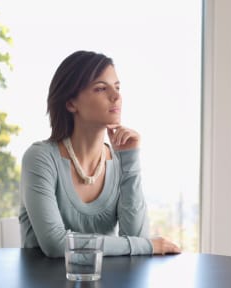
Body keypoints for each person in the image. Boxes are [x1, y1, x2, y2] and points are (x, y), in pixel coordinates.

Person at [19, 50, 181, 257]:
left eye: (117, 87)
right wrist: (149, 246)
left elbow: (136, 236)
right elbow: (56, 244)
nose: (116, 96)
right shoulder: (40, 158)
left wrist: (130, 159)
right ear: (71, 103)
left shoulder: (120, 160)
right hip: (45, 286)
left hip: (107, 286)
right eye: (101, 88)